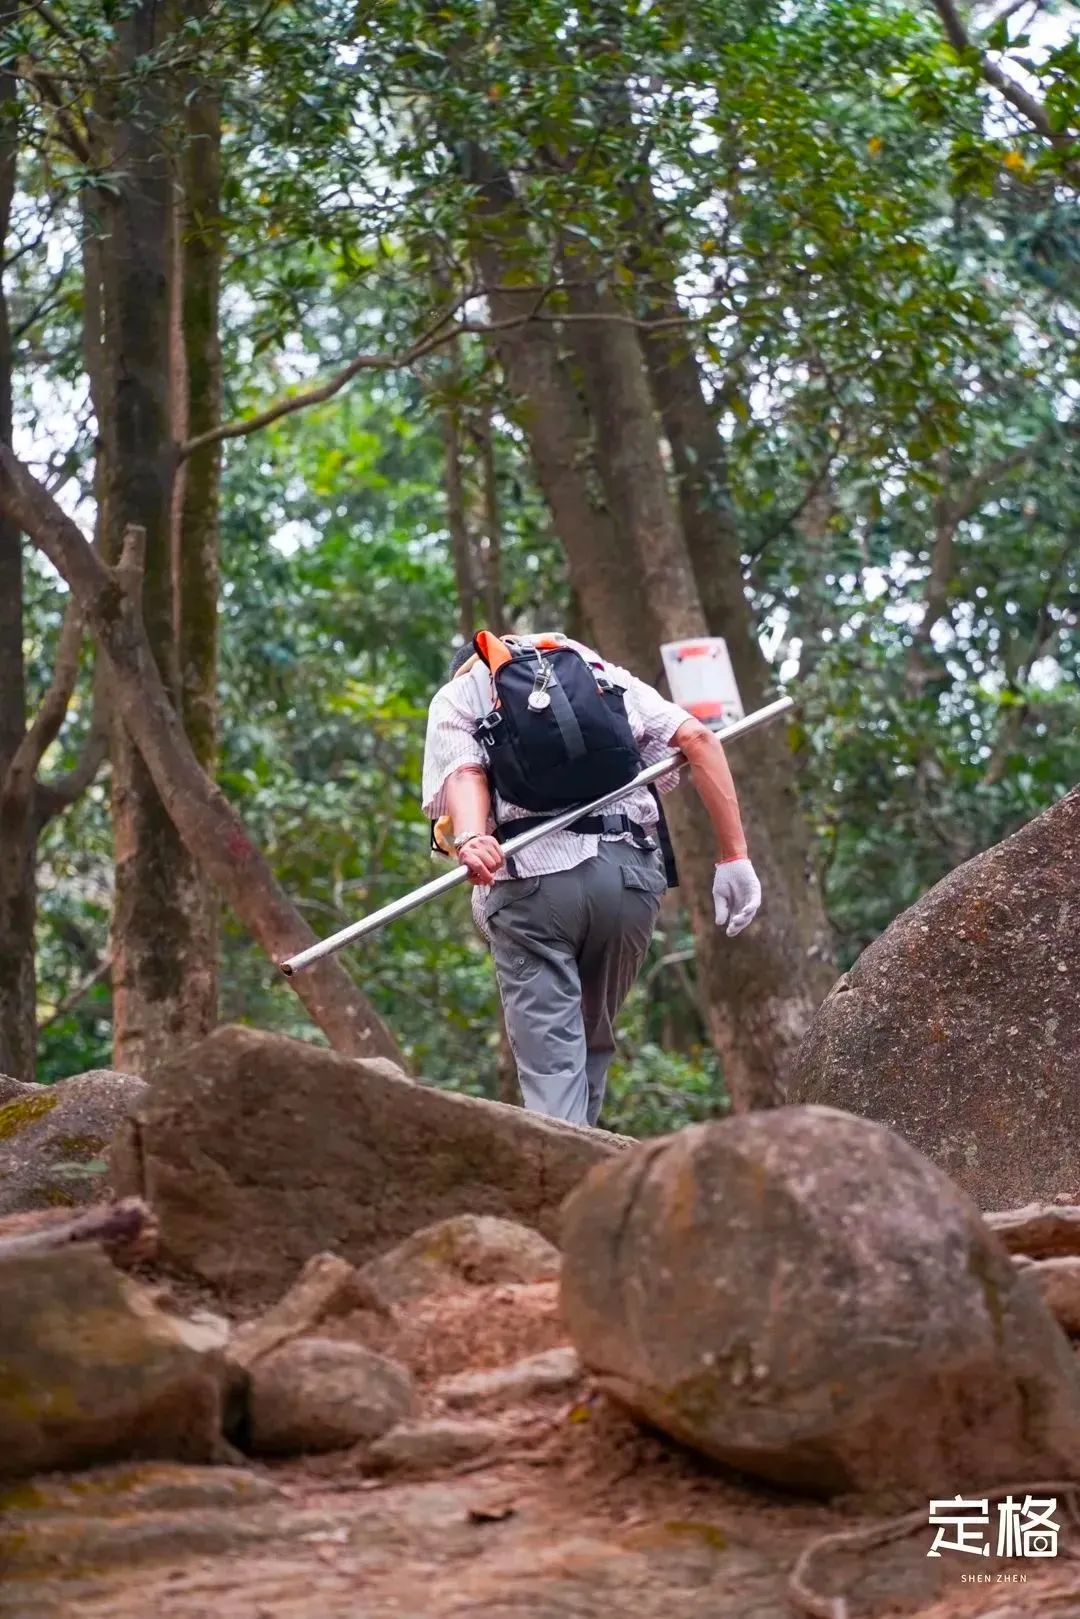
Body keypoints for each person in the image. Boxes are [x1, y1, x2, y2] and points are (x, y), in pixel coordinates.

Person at [421, 630, 760, 1128]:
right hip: (628, 880)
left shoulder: (460, 694)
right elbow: (698, 739)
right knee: (590, 1037)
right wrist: (735, 857)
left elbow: (466, 772)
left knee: (553, 1061)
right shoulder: (599, 674)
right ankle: (585, 1167)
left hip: (532, 885)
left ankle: (559, 1183)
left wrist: (471, 835)